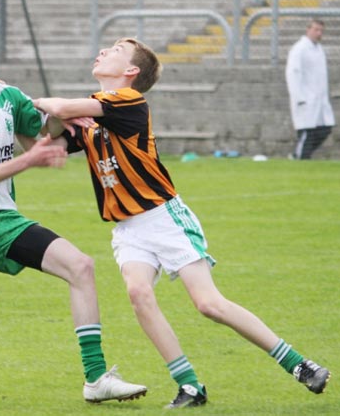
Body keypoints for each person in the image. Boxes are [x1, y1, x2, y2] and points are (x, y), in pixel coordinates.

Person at [35, 37, 331, 409]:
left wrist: (33, 102)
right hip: (128, 227)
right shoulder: (94, 117)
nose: (103, 50)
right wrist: (53, 119)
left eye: (114, 50)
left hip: (164, 218)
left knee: (208, 304)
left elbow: (58, 108)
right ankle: (189, 385)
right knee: (138, 294)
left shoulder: (128, 101)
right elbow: (50, 136)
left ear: (131, 71)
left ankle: (299, 364)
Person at [0, 34, 147, 408]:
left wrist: (63, 119)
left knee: (81, 266)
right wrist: (30, 160)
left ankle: (96, 379)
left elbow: (41, 136)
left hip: (5, 218)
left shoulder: (7, 97)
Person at [285, 19, 335, 160]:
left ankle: (299, 155)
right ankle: (300, 157)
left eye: (321, 31)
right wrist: (298, 97)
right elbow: (293, 74)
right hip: (305, 99)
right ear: (308, 30)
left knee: (325, 128)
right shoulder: (299, 49)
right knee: (307, 131)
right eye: (316, 30)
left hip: (319, 99)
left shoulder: (319, 50)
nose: (319, 33)